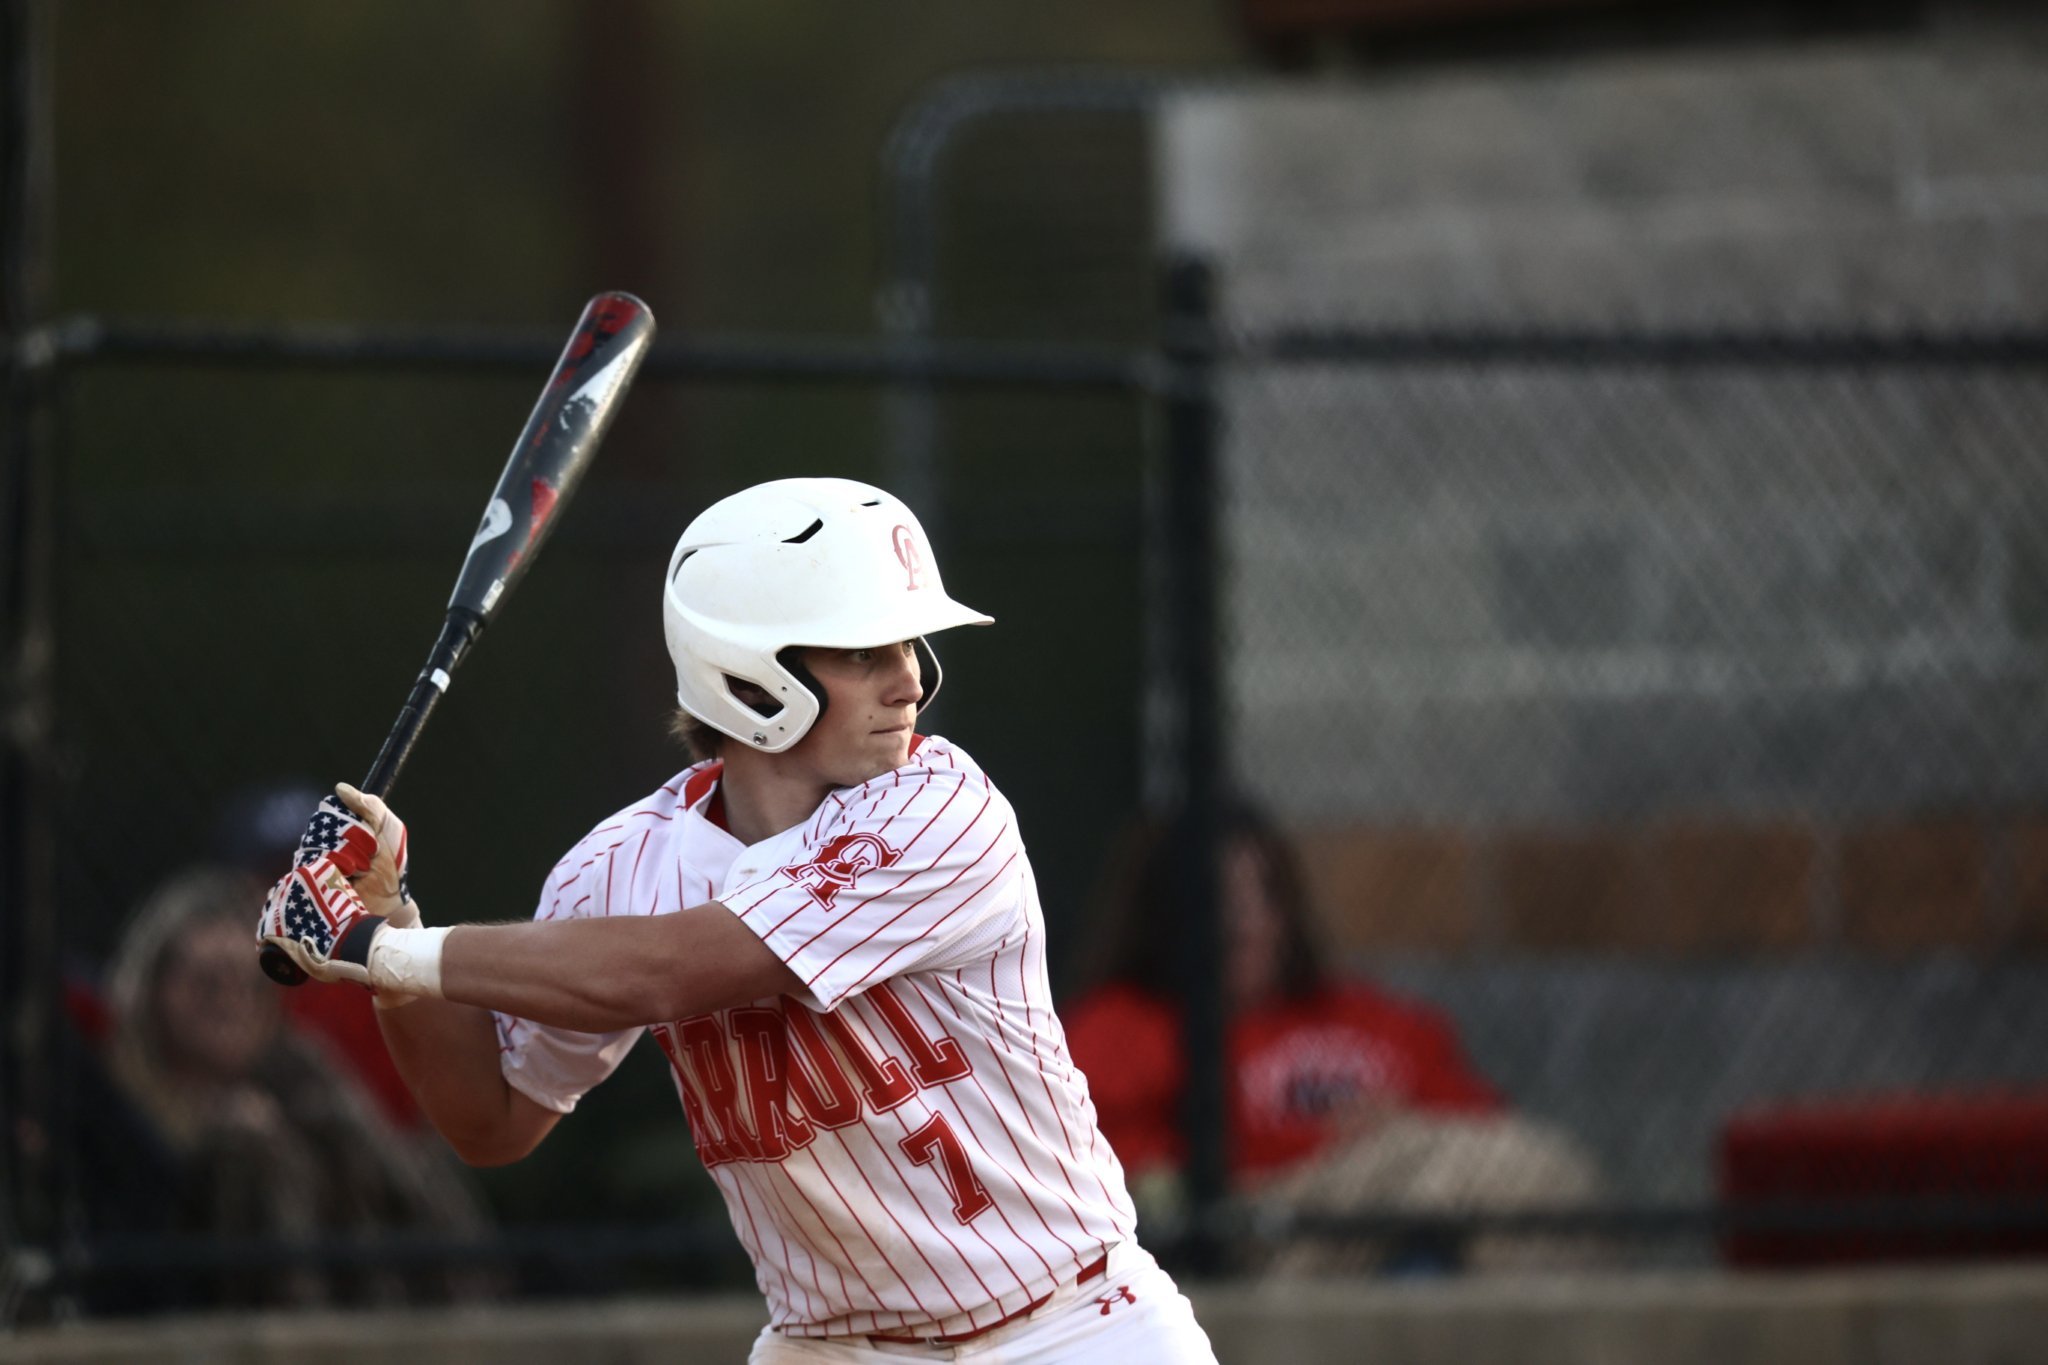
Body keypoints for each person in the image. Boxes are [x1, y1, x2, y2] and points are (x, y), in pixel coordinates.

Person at [256, 478, 1218, 1362]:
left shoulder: (941, 808)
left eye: (910, 646)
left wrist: (378, 948)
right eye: (865, 650)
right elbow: (492, 1121)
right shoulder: (617, 872)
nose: (911, 680)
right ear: (750, 676)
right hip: (832, 1347)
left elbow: (672, 969)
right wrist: (388, 933)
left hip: (1068, 1325)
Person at [1063, 805, 1608, 1276]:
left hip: (1410, 1212)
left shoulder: (1371, 1019)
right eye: (1220, 900)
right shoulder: (1125, 1028)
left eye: (1262, 895)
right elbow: (1126, 1182)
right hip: (1271, 1226)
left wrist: (1398, 1129)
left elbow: (1486, 1131)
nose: (1246, 922)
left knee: (1541, 1174)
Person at [107, 865, 491, 1308]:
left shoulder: (305, 1082)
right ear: (153, 992)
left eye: (247, 984)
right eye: (207, 984)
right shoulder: (121, 1102)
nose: (229, 1002)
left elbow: (406, 1190)